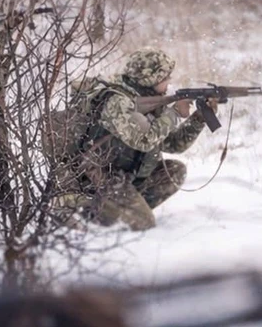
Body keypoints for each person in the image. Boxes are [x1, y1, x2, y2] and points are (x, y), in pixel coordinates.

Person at [51, 48, 217, 231]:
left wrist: (199, 118)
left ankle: (119, 209)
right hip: (97, 178)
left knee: (175, 171)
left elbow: (173, 144)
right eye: (165, 77)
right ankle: (81, 208)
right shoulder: (117, 101)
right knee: (144, 223)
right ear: (151, 79)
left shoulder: (147, 99)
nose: (169, 81)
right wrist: (174, 113)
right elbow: (144, 141)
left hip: (123, 175)